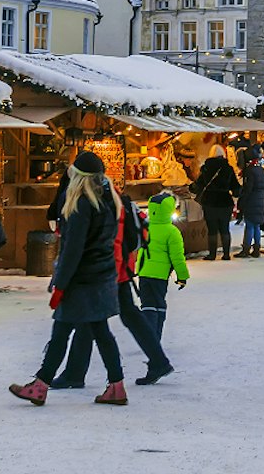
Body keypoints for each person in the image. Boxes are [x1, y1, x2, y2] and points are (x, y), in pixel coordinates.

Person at [11, 151, 129, 406]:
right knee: (100, 332)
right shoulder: (108, 200)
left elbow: (73, 249)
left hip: (81, 280)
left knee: (61, 331)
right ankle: (116, 386)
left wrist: (61, 282)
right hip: (101, 275)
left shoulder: (79, 204)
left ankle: (41, 385)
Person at [53, 174, 174, 389]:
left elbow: (108, 239)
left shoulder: (99, 201)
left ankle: (75, 373)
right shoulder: (115, 196)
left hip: (110, 269)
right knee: (125, 314)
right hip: (120, 266)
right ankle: (158, 361)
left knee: (91, 319)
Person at [135, 190, 190, 345]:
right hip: (160, 275)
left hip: (144, 272)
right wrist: (182, 276)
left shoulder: (146, 227)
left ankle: (147, 336)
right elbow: (177, 257)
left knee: (147, 305)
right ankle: (154, 338)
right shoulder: (172, 232)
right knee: (159, 305)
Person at [191, 145, 239, 261]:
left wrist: (191, 188)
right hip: (225, 202)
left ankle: (212, 254)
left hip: (210, 202)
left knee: (212, 229)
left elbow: (198, 185)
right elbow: (236, 187)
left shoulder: (206, 168)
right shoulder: (228, 168)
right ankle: (226, 254)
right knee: (225, 228)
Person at [237, 146, 264, 257]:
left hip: (251, 201)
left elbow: (248, 189)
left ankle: (246, 248)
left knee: (249, 225)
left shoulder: (250, 171)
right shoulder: (261, 170)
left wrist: (242, 202)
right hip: (260, 200)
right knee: (256, 226)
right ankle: (256, 248)